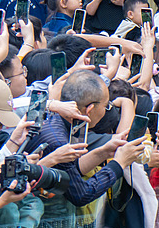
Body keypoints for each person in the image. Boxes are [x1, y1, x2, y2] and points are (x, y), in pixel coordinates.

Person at [32, 70, 143, 207]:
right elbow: (81, 194)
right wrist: (119, 164)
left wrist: (104, 152)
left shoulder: (54, 119)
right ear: (90, 109)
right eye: (106, 106)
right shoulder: (59, 142)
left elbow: (71, 171)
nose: (106, 110)